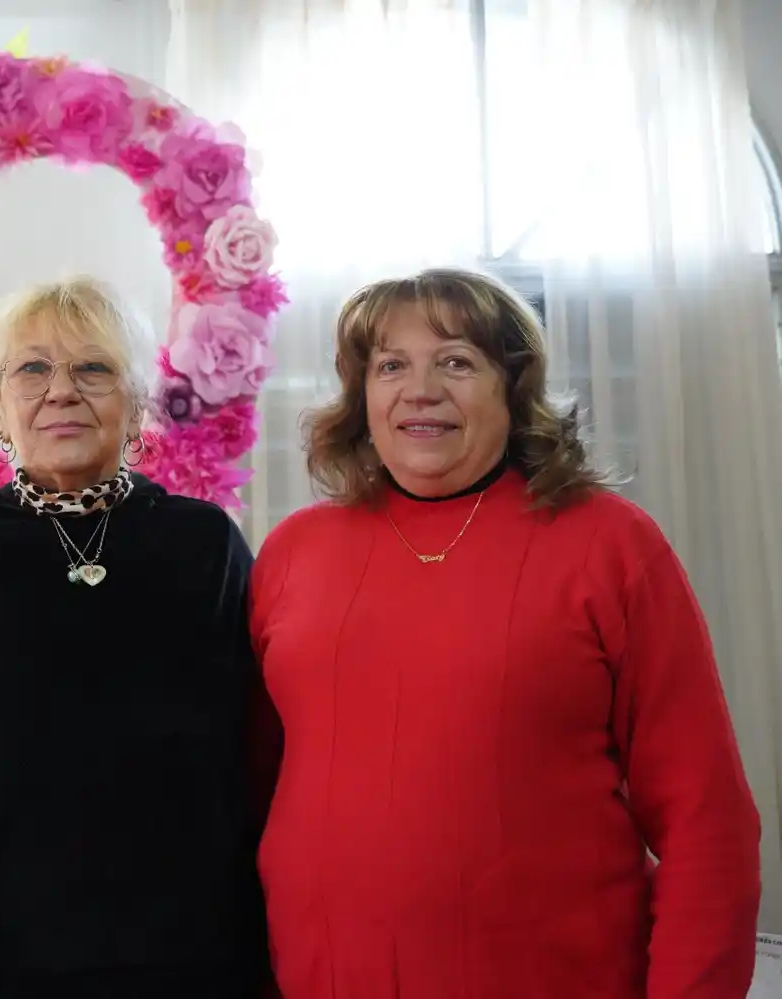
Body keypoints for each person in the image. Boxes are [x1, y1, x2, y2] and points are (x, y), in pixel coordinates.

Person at [250, 268, 762, 999]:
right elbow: (251, 788)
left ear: (513, 388)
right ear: (363, 395)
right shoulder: (292, 553)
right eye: (391, 365)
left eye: (456, 361)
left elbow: (705, 819)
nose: (420, 389)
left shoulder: (608, 543)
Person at [0, 277, 281, 999]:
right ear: (0, 407)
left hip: (188, 951)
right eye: (32, 369)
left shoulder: (205, 546)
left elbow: (259, 748)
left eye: (93, 369)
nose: (61, 390)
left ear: (135, 403)